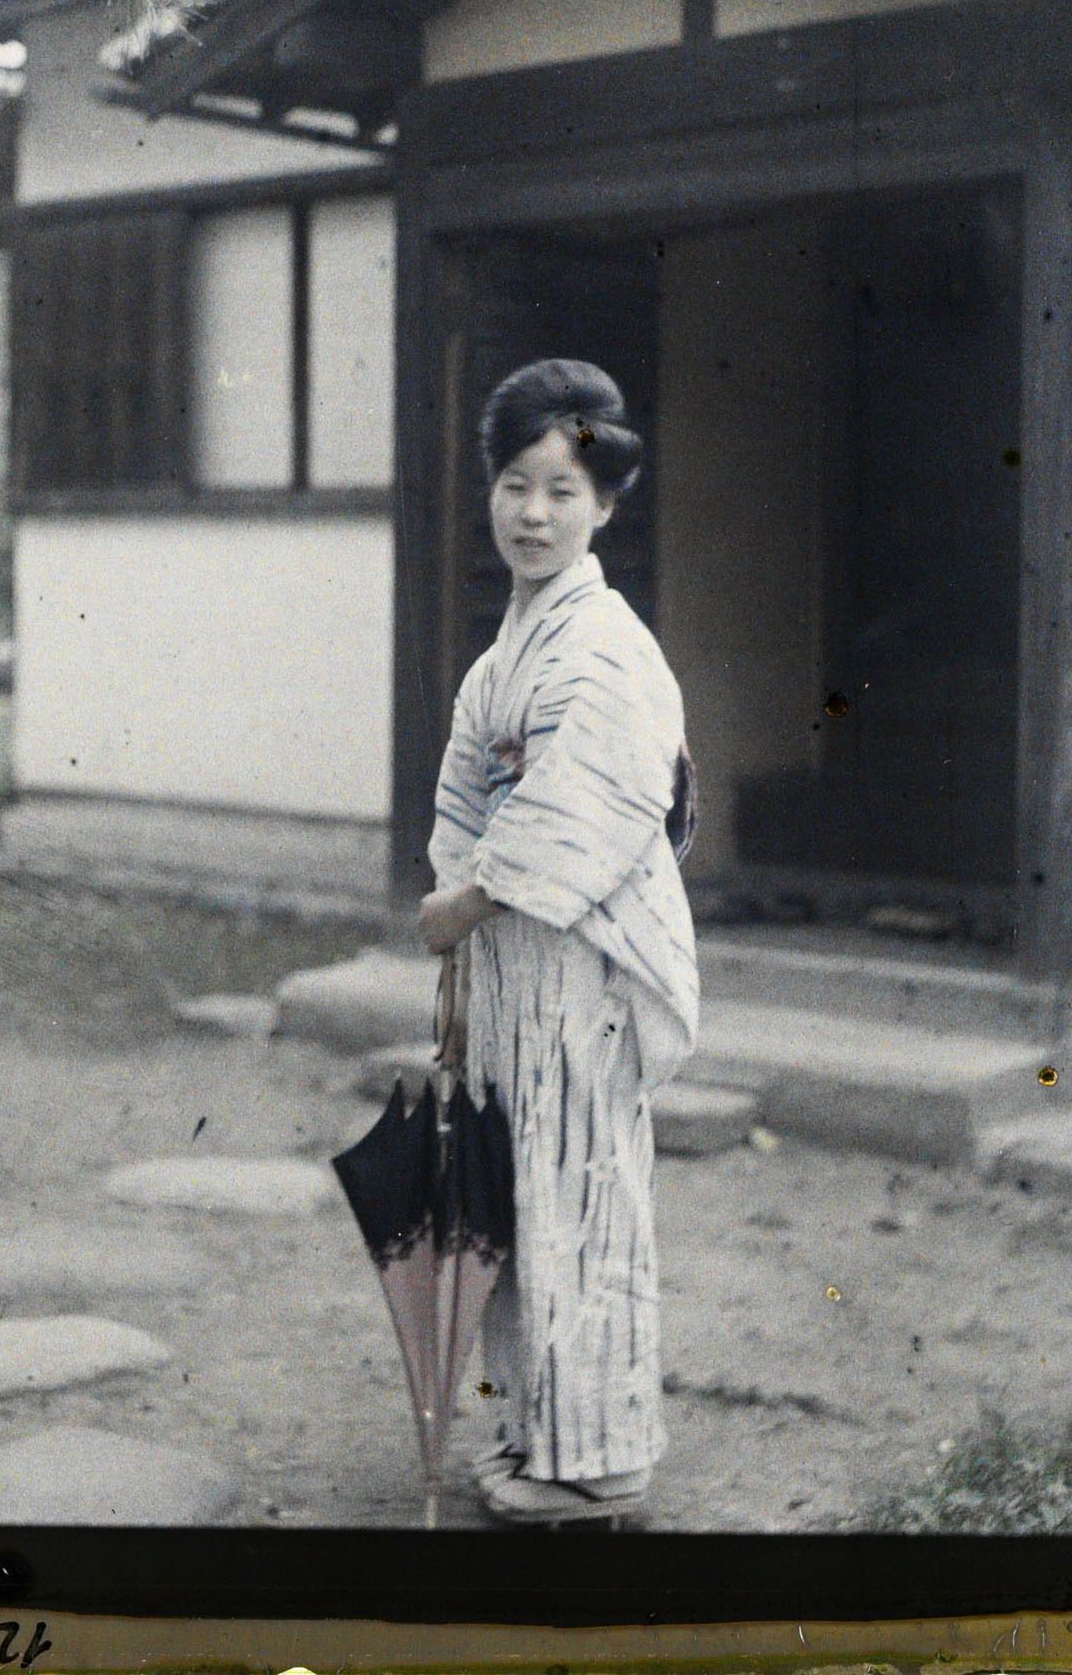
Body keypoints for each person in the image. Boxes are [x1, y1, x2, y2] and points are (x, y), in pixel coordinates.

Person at [420, 358, 699, 1526]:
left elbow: (596, 805)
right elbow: (466, 796)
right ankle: (540, 1434)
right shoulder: (509, 650)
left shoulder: (604, 647)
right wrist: (462, 897)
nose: (532, 512)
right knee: (518, 1199)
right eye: (513, 484)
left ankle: (603, 1459)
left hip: (578, 961)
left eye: (562, 490)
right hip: (511, 963)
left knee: (578, 1196)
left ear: (605, 504)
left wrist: (466, 900)